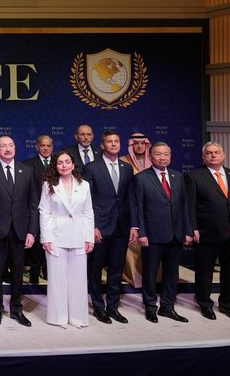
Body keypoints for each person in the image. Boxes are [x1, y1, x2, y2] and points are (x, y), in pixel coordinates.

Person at [130, 142, 193, 323]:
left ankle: (167, 307)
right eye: (158, 154)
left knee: (172, 273)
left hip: (176, 234)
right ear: (150, 156)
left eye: (166, 154)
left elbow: (184, 206)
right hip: (152, 235)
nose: (162, 157)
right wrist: (141, 233)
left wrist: (187, 230)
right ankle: (150, 307)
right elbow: (138, 207)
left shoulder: (179, 177)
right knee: (150, 273)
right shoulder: (141, 178)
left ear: (170, 156)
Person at [0, 136, 39, 327]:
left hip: (21, 231)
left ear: (16, 148)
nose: (7, 149)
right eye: (3, 146)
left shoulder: (27, 170)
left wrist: (32, 231)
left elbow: (33, 204)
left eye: (11, 145)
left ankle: (16, 309)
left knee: (17, 272)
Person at [38, 150, 95, 328]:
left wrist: (89, 238)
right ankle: (58, 317)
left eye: (67, 162)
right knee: (57, 279)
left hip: (79, 235)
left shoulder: (84, 185)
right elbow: (44, 211)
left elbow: (88, 212)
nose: (64, 165)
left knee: (78, 279)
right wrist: (45, 237)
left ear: (73, 164)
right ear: (55, 166)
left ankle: (78, 318)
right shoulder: (49, 185)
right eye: (60, 163)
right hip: (55, 237)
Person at [83, 130, 134, 324]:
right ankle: (98, 307)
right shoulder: (92, 167)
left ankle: (113, 307)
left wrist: (133, 226)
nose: (113, 144)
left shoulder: (127, 167)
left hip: (122, 226)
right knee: (95, 269)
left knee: (116, 269)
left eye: (116, 141)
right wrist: (92, 226)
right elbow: (86, 199)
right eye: (109, 142)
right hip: (100, 227)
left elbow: (130, 198)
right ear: (102, 145)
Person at [186, 142, 230, 321]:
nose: (213, 155)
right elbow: (190, 205)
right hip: (207, 233)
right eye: (209, 153)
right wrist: (193, 228)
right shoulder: (194, 177)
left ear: (223, 155)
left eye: (217, 152)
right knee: (204, 272)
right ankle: (205, 303)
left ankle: (227, 304)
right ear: (203, 157)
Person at [120, 133, 153, 288]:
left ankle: (153, 277)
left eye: (142, 143)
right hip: (130, 208)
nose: (139, 146)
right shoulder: (122, 161)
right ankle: (133, 277)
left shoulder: (154, 160)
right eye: (136, 143)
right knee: (133, 244)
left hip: (152, 210)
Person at [23, 134, 55, 284]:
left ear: (52, 147)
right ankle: (34, 273)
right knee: (36, 244)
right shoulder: (28, 164)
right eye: (43, 145)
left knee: (51, 242)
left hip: (55, 212)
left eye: (49, 145)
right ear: (37, 147)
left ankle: (49, 271)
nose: (46, 148)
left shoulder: (59, 163)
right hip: (35, 210)